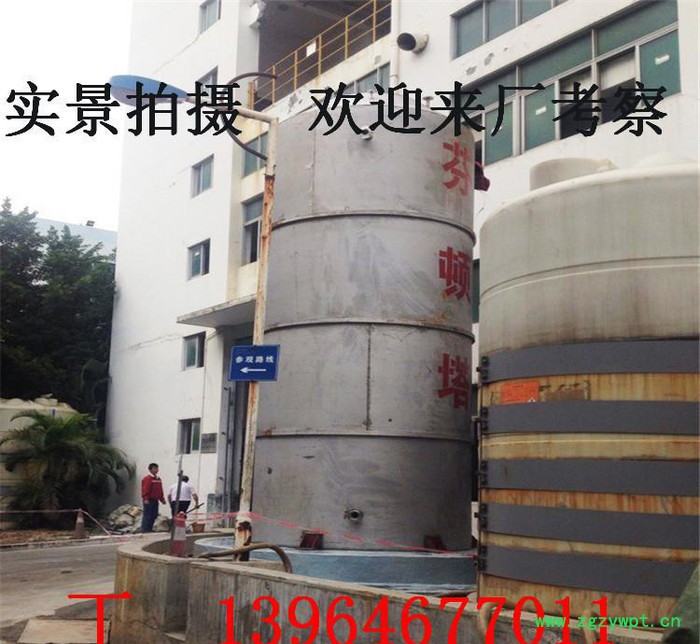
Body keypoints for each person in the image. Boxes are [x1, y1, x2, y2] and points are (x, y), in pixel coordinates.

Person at [140, 462, 165, 532]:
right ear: (150, 470)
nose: (156, 470)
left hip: (155, 499)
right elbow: (145, 489)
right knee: (148, 514)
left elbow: (160, 489)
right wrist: (146, 498)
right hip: (149, 499)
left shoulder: (158, 479)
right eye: (154, 468)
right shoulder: (147, 478)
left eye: (157, 468)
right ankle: (145, 529)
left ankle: (149, 528)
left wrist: (162, 498)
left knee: (154, 514)